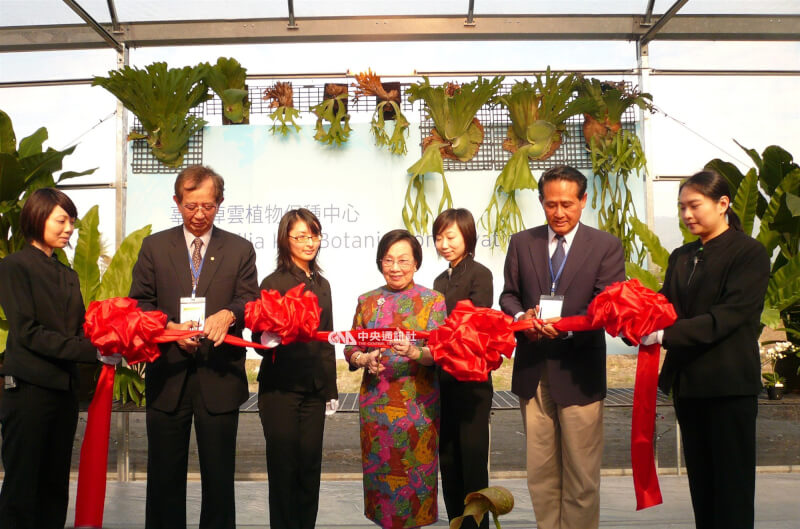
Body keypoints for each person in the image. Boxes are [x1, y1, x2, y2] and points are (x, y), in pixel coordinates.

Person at [129, 165, 259, 529]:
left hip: (219, 376)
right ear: (176, 201)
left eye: (208, 206)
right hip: (167, 374)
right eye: (190, 206)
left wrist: (228, 316)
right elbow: (139, 302)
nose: (199, 215)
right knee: (163, 477)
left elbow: (249, 301)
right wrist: (168, 327)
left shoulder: (239, 249)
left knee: (219, 479)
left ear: (219, 203)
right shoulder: (154, 246)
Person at [499, 165, 625, 529]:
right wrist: (524, 316)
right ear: (541, 202)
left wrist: (566, 329)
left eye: (567, 204)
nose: (559, 212)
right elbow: (508, 294)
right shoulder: (523, 242)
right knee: (540, 474)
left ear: (584, 201)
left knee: (582, 476)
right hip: (533, 372)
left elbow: (607, 304)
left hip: (579, 373)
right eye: (551, 204)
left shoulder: (605, 246)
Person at [643, 170, 769, 529]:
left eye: (694, 206)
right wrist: (634, 320)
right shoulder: (682, 255)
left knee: (732, 487)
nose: (686, 215)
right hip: (689, 386)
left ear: (723, 204)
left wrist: (665, 335)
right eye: (682, 207)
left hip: (729, 386)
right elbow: (664, 306)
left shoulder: (749, 253)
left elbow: (727, 317)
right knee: (702, 485)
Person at [0, 188, 108, 528]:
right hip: (28, 390)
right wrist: (93, 351)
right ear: (37, 217)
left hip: (63, 392)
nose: (69, 229)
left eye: (72, 222)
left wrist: (113, 339)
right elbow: (28, 332)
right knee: (22, 483)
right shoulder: (14, 266)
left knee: (55, 482)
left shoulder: (68, 274)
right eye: (61, 220)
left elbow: (78, 329)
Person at [344, 229, 446, 529]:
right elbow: (351, 346)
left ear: (416, 263)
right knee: (382, 493)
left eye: (404, 260)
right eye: (388, 260)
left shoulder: (433, 301)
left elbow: (440, 352)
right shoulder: (367, 301)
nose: (396, 267)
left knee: (416, 491)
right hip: (376, 410)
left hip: (418, 412)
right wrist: (364, 359)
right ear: (380, 262)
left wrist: (416, 353)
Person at [255, 208, 337, 529]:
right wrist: (267, 335)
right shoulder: (273, 282)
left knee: (309, 469)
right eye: (300, 236)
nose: (308, 242)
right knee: (283, 469)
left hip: (314, 391)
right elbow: (257, 333)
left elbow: (328, 337)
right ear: (285, 240)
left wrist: (330, 390)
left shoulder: (324, 283)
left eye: (313, 235)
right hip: (280, 390)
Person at [431, 208, 493, 529]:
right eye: (439, 237)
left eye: (450, 236)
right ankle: (456, 523)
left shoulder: (480, 274)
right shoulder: (439, 280)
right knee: (449, 461)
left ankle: (477, 527)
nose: (444, 243)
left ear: (467, 236)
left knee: (472, 463)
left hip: (472, 382)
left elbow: (475, 323)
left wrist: (441, 334)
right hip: (443, 382)